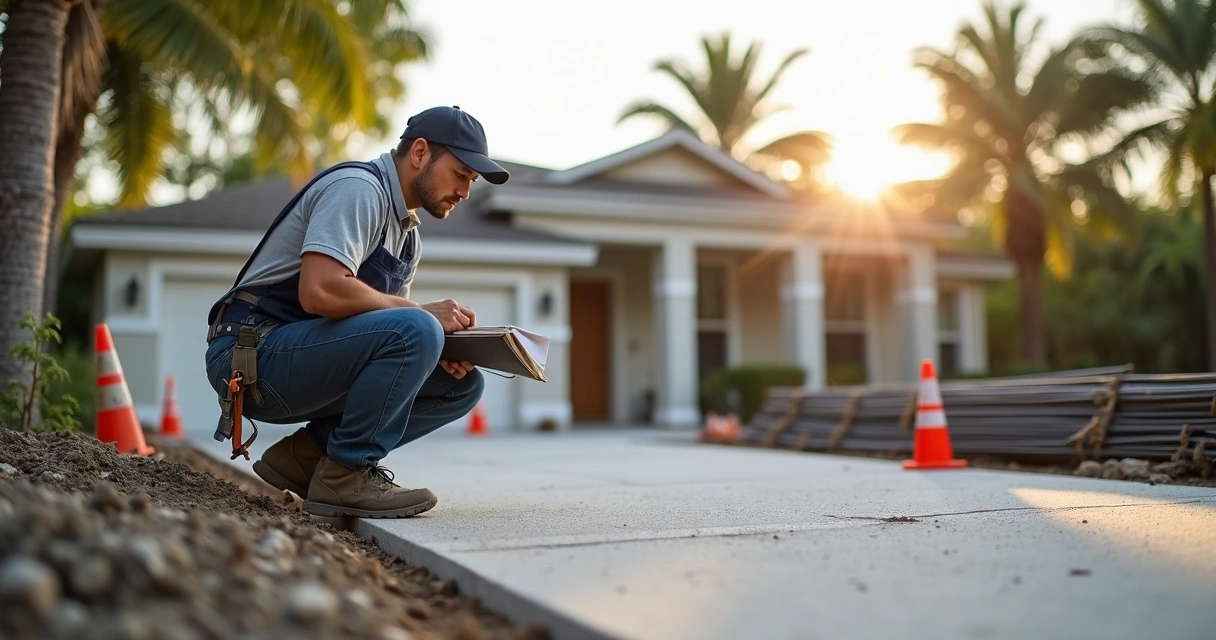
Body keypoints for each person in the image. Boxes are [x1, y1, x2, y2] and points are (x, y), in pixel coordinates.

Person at [204, 106, 509, 519]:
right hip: (250, 355)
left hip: (301, 360)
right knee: (417, 327)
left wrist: (442, 347)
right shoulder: (359, 189)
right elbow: (320, 292)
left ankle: (306, 458)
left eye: (472, 181)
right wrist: (423, 318)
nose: (466, 192)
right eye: (460, 174)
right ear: (419, 153)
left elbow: (381, 331)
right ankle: (346, 474)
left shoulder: (407, 238)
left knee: (461, 385)